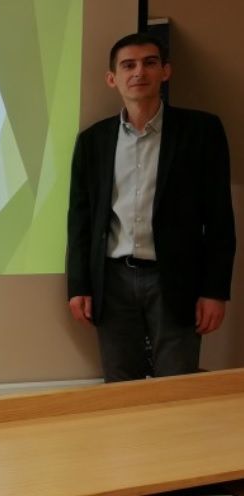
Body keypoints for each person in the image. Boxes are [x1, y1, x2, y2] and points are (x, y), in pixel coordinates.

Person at [66, 32, 235, 383]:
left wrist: (214, 291)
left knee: (177, 386)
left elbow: (220, 218)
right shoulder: (93, 141)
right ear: (112, 78)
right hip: (112, 281)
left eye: (149, 63)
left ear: (165, 71)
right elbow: (81, 220)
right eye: (128, 65)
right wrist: (79, 285)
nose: (139, 72)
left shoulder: (201, 131)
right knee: (121, 387)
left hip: (175, 280)